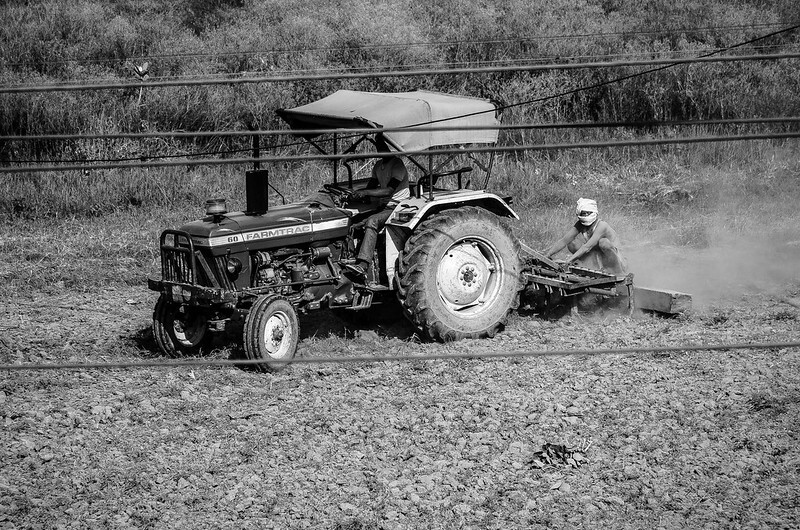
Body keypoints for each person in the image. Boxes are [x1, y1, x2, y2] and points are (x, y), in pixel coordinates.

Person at [346, 135, 410, 280]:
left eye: (384, 146)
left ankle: (363, 265)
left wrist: (365, 192)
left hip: (398, 207)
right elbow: (371, 187)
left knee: (372, 221)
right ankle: (350, 257)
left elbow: (388, 190)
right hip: (384, 206)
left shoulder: (397, 164)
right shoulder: (378, 166)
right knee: (353, 222)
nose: (381, 149)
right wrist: (357, 196)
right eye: (379, 146)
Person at [543, 197, 627, 274]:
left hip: (616, 260)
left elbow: (587, 247)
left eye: (588, 213)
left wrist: (568, 261)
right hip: (598, 257)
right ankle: (590, 266)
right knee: (572, 242)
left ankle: (618, 272)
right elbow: (564, 240)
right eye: (583, 213)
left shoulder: (602, 225)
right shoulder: (580, 225)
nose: (586, 215)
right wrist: (547, 255)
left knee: (603, 242)